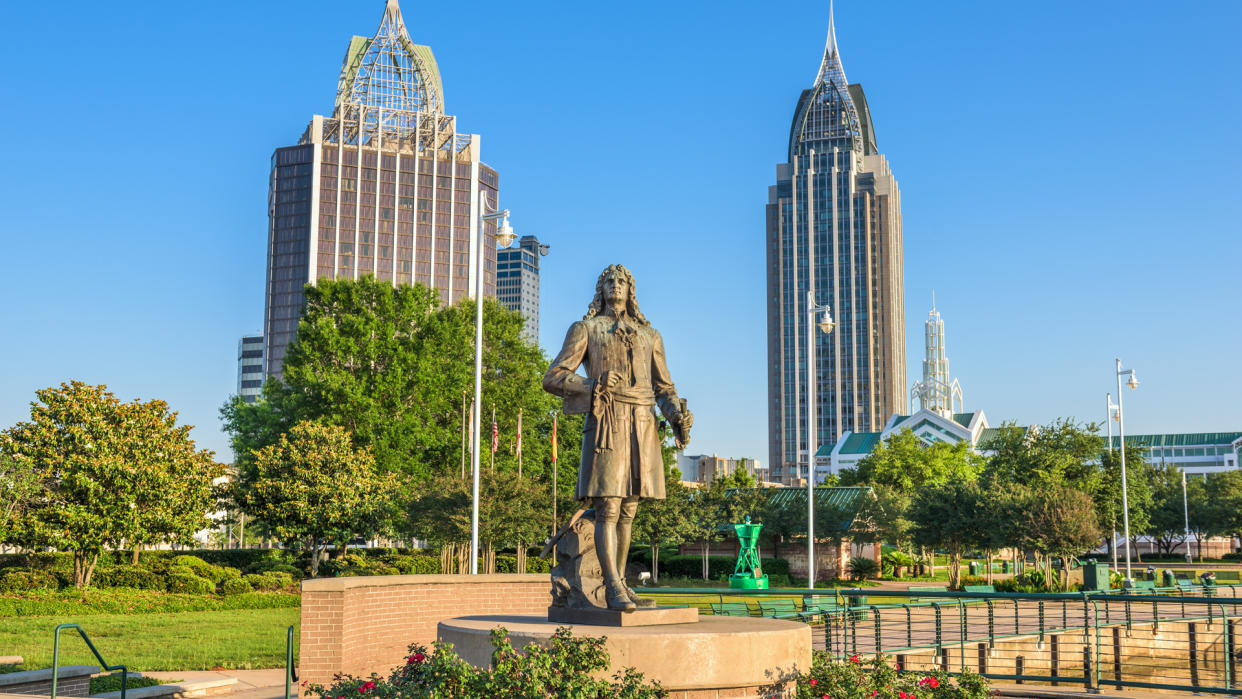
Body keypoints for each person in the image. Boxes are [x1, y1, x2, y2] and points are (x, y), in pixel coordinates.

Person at [543, 264, 692, 611]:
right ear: (600, 289)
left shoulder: (650, 335)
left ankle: (621, 582)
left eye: (621, 281)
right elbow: (553, 377)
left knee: (629, 509)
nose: (615, 285)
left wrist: (675, 416)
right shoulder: (586, 329)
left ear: (631, 289)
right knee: (608, 506)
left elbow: (664, 387)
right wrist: (592, 384)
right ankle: (611, 587)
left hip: (642, 422)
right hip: (606, 421)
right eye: (608, 281)